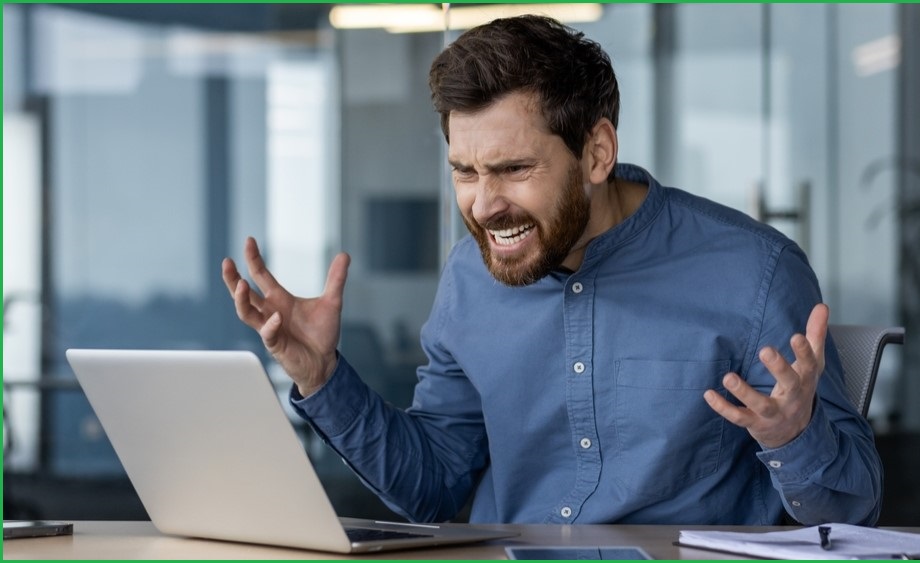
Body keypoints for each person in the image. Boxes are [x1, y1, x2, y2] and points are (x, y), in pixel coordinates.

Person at [222, 15, 882, 526]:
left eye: (514, 169)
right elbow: (433, 485)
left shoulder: (753, 272)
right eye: (465, 171)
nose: (484, 204)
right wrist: (322, 377)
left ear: (596, 152)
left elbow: (853, 512)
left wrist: (794, 434)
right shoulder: (469, 277)